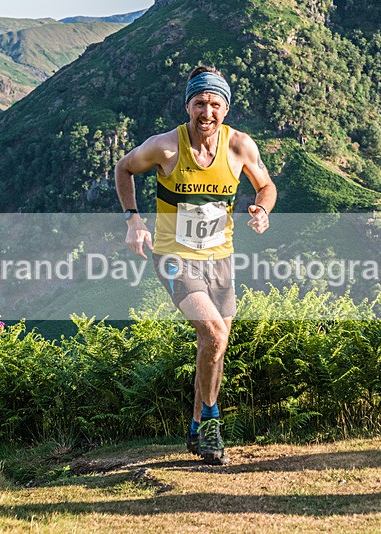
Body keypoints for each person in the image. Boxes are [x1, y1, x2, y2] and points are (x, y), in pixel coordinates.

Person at [115, 66, 276, 465]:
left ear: (225, 109)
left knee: (215, 345)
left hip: (221, 259)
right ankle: (211, 422)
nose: (207, 112)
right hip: (173, 257)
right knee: (214, 333)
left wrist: (261, 208)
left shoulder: (240, 146)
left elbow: (266, 185)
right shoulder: (166, 146)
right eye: (200, 103)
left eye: (215, 104)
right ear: (188, 106)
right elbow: (124, 168)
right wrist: (133, 220)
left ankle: (195, 425)